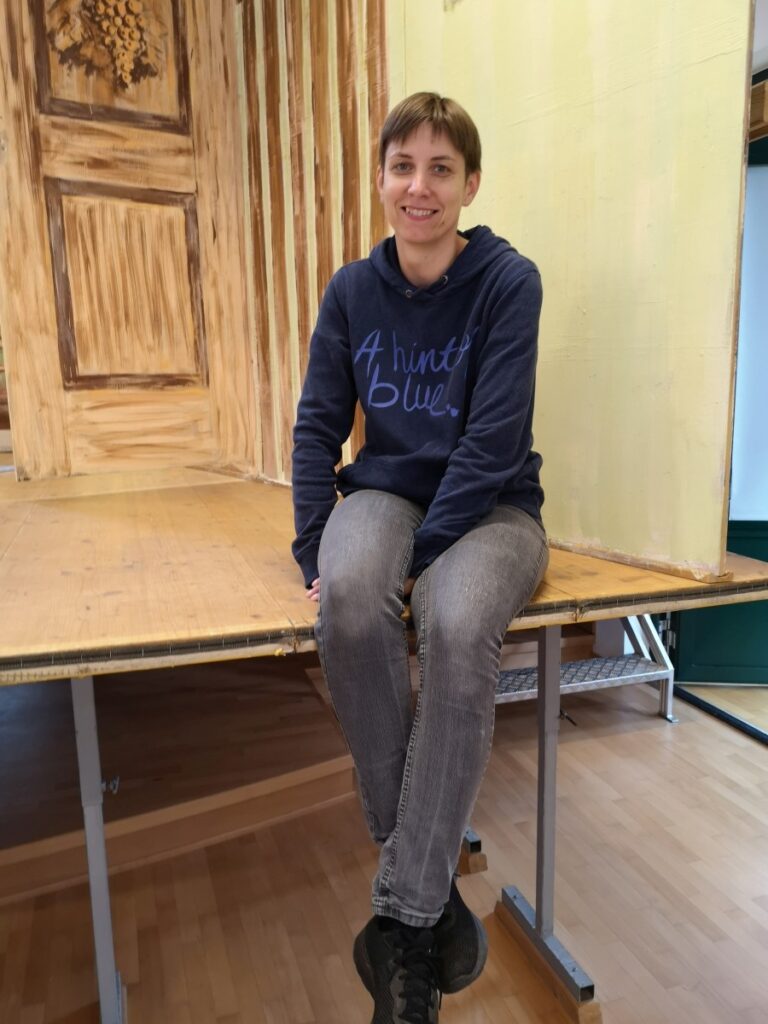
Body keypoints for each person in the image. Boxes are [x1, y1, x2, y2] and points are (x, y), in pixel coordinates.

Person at [291, 92, 549, 1023]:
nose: (420, 186)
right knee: (348, 598)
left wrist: (426, 557)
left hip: (495, 505)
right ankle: (429, 886)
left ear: (470, 184)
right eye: (404, 166)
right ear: (381, 179)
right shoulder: (351, 291)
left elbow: (491, 442)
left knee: (459, 621)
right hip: (384, 492)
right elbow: (318, 424)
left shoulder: (508, 282)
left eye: (442, 169)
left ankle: (402, 920)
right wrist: (311, 544)